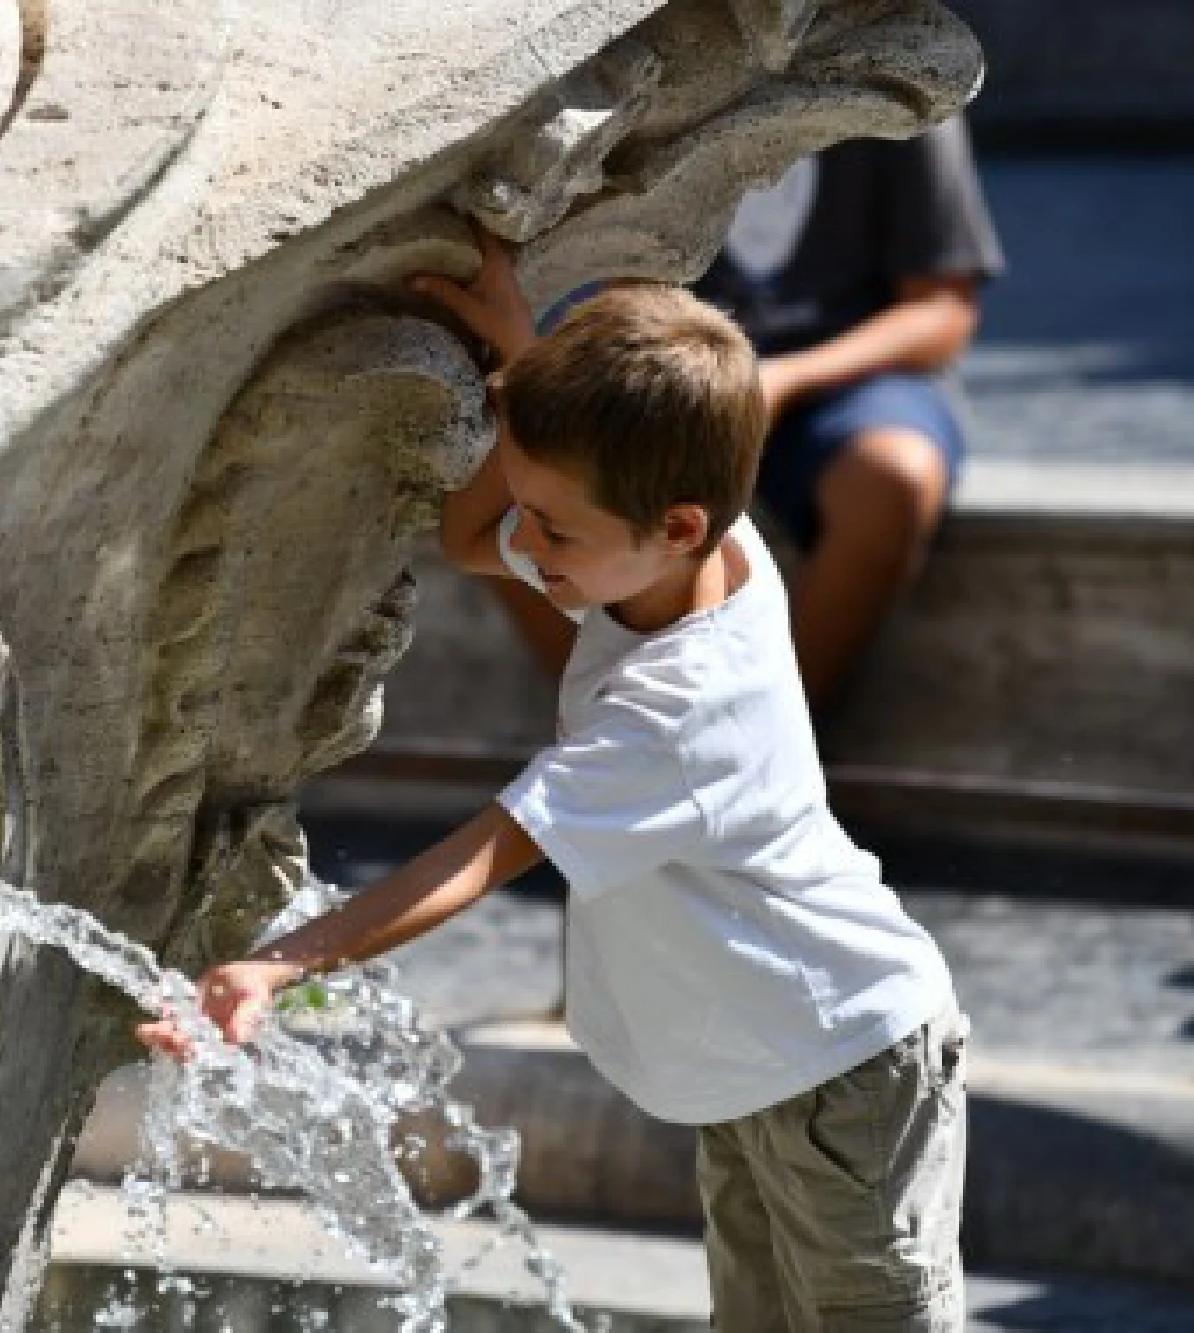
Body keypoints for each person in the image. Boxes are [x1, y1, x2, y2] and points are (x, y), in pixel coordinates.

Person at [139, 227, 971, 1331]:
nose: (524, 543)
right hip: (764, 1063)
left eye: (557, 527)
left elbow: (482, 853)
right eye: (536, 505)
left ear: (672, 525)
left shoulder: (673, 714)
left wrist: (282, 963)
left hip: (847, 1065)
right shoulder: (689, 555)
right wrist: (525, 373)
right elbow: (473, 526)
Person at [694, 116, 1004, 705]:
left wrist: (785, 378)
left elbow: (943, 310)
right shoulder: (665, 88)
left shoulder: (907, 89)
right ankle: (616, 741)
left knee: (893, 475)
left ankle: (761, 739)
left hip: (860, 379)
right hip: (689, 375)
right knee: (503, 471)